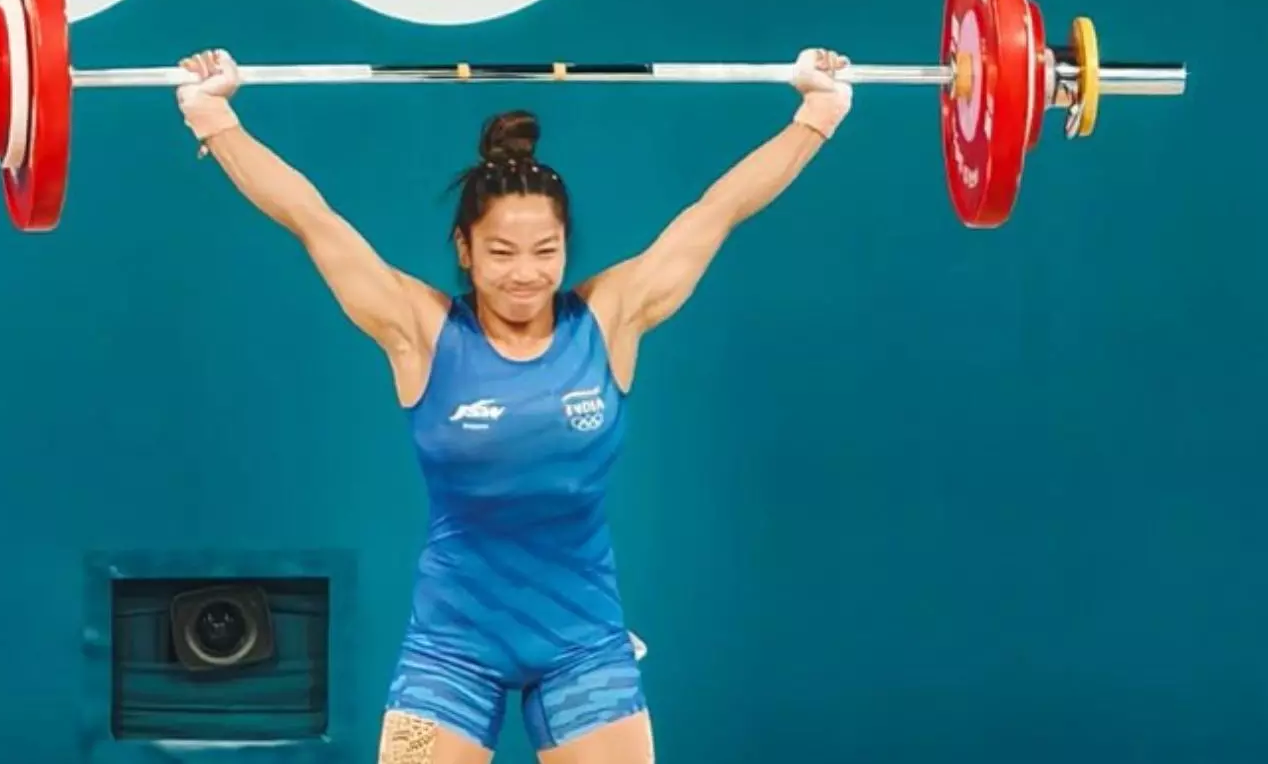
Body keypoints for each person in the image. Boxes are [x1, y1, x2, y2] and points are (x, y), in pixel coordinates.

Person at [173, 48, 853, 764]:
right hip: (447, 654)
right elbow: (312, 219)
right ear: (464, 249)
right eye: (501, 252)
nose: (525, 273)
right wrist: (214, 117)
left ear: (565, 247)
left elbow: (718, 211)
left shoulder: (611, 318)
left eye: (545, 251)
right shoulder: (420, 331)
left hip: (585, 647)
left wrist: (818, 114)